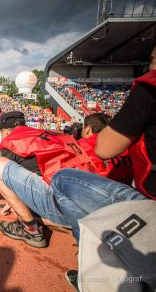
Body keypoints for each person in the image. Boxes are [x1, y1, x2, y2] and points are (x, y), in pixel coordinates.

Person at [51, 45, 156, 290]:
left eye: (152, 60)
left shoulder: (149, 89)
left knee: (62, 179)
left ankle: (94, 271)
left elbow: (104, 149)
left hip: (149, 204)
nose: (149, 66)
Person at [0, 111, 96, 248]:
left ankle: (30, 230)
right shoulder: (51, 134)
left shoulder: (11, 140)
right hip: (92, 203)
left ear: (4, 132)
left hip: (69, 208)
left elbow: (8, 177)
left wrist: (12, 200)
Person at [77, 112, 133, 185]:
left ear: (87, 129)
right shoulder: (126, 145)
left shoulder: (80, 146)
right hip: (126, 190)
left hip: (94, 191)